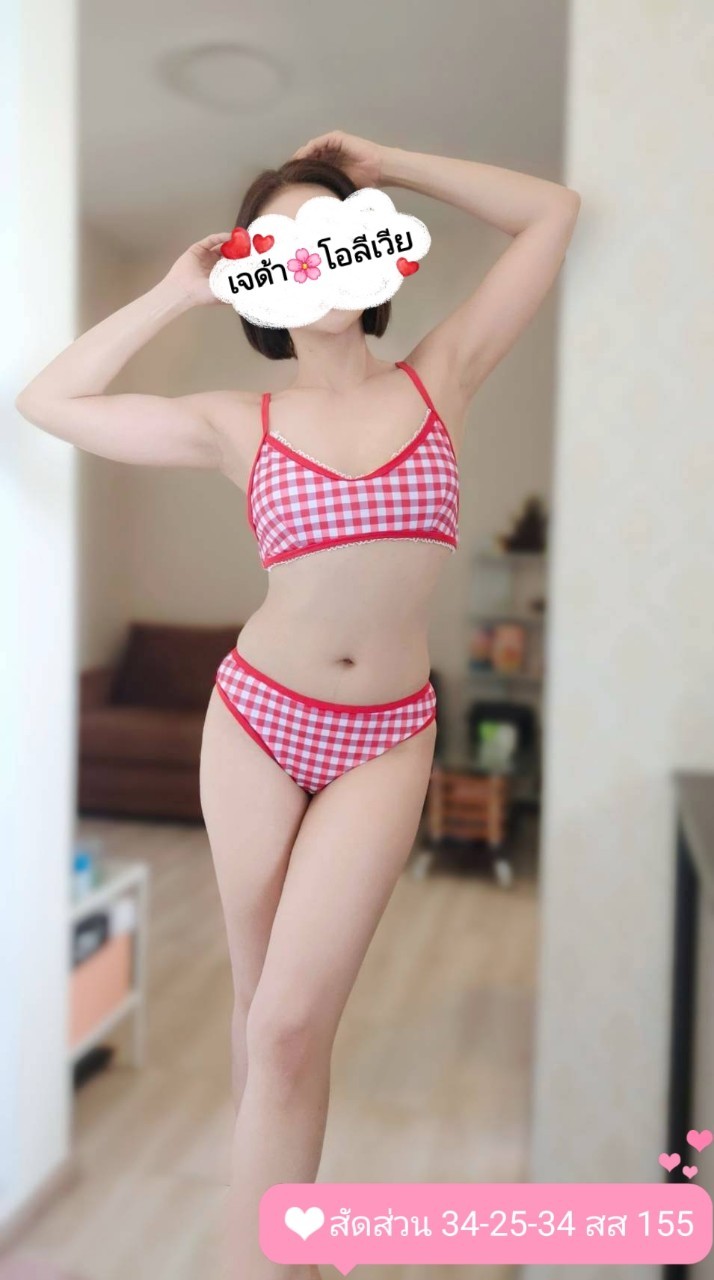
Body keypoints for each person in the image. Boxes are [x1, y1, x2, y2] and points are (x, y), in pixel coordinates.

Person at [15, 130, 580, 1279]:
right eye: (282, 246)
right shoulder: (238, 422)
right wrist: (179, 289)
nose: (314, 258)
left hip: (387, 738)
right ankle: (283, 1248)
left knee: (287, 1020)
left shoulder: (442, 375)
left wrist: (390, 165)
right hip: (257, 723)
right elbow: (48, 400)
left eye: (333, 232)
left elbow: (554, 212)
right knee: (264, 1012)